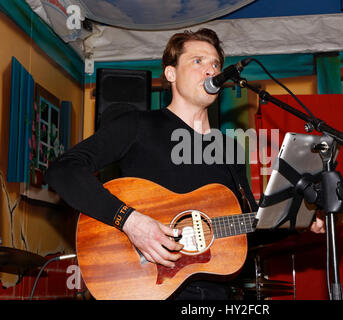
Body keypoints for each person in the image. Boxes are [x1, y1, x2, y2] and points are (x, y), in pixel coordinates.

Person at [45, 28, 325, 300]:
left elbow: (248, 230)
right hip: (143, 285)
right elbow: (63, 170)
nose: (211, 70)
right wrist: (130, 221)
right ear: (171, 74)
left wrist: (296, 220)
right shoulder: (138, 126)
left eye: (216, 64)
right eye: (198, 61)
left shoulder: (229, 150)